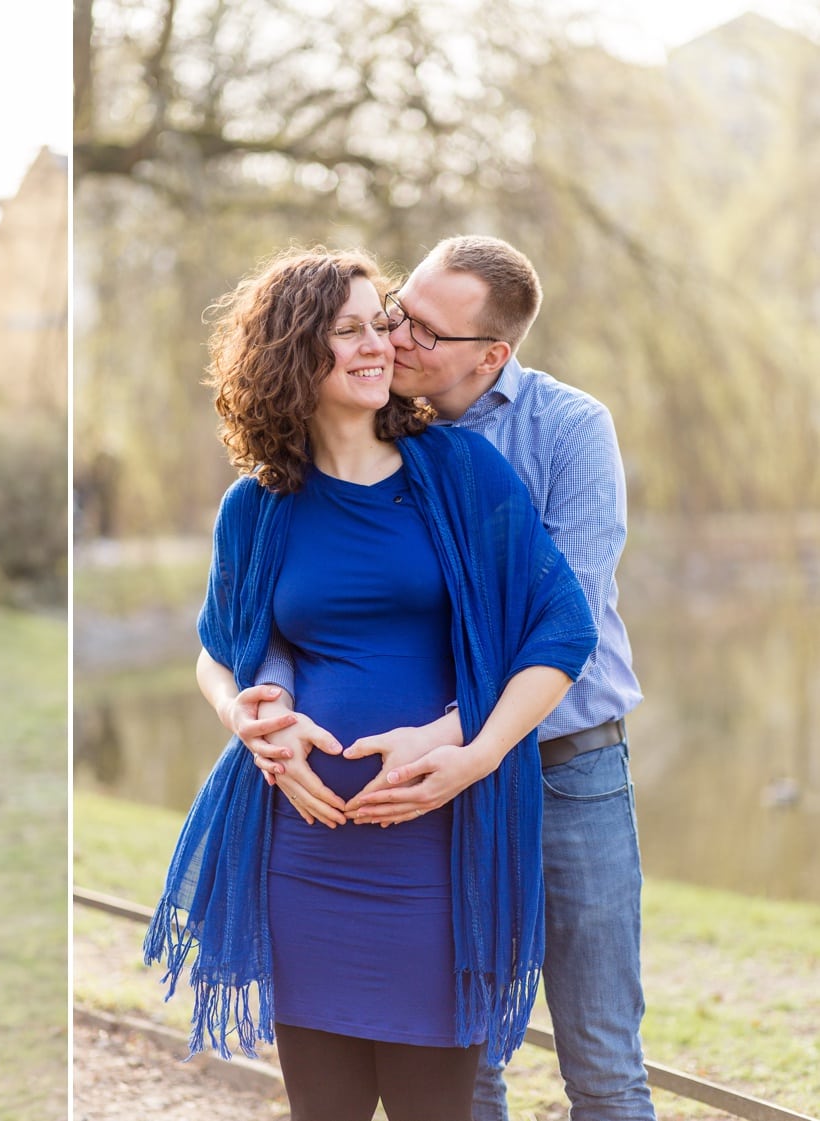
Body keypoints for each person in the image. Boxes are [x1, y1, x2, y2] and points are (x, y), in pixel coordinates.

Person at [143, 247, 597, 1121]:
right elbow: (217, 650)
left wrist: (476, 753)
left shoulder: (462, 476)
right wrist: (244, 715)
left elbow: (561, 630)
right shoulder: (258, 505)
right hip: (302, 852)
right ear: (292, 355)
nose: (377, 344)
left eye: (378, 322)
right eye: (346, 330)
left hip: (439, 852)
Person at [241, 236, 651, 1121]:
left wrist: (458, 735)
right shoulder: (385, 434)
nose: (394, 335)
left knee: (604, 1061)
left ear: (490, 356)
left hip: (564, 761)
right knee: (473, 1062)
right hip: (430, 799)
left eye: (421, 327)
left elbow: (556, 619)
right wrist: (270, 695)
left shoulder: (559, 432)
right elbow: (289, 598)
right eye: (394, 310)